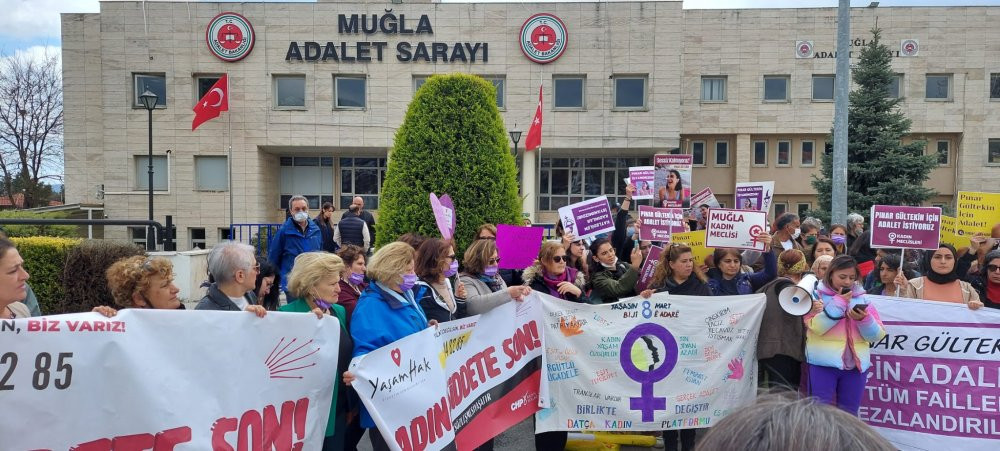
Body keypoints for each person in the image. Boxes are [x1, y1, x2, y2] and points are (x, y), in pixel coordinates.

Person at [344, 242, 432, 451]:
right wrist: (358, 370)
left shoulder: (406, 295)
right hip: (390, 408)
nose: (414, 273)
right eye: (409, 269)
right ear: (393, 270)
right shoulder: (371, 307)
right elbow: (365, 351)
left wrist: (426, 327)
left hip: (413, 397)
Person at [280, 252, 354, 451]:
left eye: (339, 282)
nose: (339, 289)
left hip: (337, 409)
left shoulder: (338, 311)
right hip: (302, 416)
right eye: (332, 284)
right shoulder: (287, 316)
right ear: (312, 286)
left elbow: (345, 355)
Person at [639, 243, 708, 451]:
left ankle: (688, 447)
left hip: (692, 354)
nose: (689, 265)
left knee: (687, 409)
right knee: (669, 407)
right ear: (671, 264)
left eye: (691, 261)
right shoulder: (659, 289)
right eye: (684, 261)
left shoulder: (701, 286)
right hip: (667, 357)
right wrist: (644, 300)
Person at [805, 255, 886, 415]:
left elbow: (877, 335)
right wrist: (839, 303)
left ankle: (845, 441)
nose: (847, 282)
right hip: (823, 365)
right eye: (842, 277)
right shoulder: (815, 296)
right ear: (831, 273)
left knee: (849, 415)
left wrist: (864, 319)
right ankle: (818, 441)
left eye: (852, 277)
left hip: (856, 367)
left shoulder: (863, 299)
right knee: (818, 414)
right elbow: (816, 327)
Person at [697, 393, 896, 451]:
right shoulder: (819, 303)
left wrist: (861, 319)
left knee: (842, 421)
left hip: (853, 364)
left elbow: (875, 332)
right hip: (824, 359)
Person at [1, 239, 115, 319]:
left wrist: (92, 322)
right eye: (13, 271)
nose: (25, 275)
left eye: (22, 266)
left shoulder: (21, 311)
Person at [895, 244, 984, 309]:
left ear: (955, 261)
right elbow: (901, 312)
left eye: (948, 257)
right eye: (937, 257)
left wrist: (977, 308)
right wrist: (902, 292)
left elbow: (979, 320)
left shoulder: (967, 288)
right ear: (929, 260)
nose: (943, 261)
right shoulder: (915, 285)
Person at [459, 238, 531, 316]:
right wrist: (508, 293)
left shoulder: (497, 278)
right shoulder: (465, 279)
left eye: (497, 260)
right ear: (478, 262)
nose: (496, 264)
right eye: (491, 261)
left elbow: (503, 300)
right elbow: (473, 306)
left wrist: (516, 295)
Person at [196, 242, 267, 316]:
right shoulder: (204, 311)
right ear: (240, 275)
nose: (258, 272)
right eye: (256, 268)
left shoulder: (249, 295)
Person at [269, 195, 322, 292]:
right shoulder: (284, 232)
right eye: (297, 209)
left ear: (308, 209)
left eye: (303, 208)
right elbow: (274, 256)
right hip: (292, 282)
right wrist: (272, 278)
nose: (301, 211)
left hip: (312, 281)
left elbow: (320, 254)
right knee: (295, 307)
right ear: (291, 211)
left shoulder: (316, 230)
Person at [414, 238, 467, 322]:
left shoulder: (447, 282)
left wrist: (459, 300)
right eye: (452, 257)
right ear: (437, 260)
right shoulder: (421, 290)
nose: (455, 261)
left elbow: (457, 322)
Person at [706, 232, 776, 296]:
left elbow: (770, 273)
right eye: (727, 261)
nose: (733, 265)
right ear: (718, 264)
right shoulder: (708, 283)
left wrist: (767, 249)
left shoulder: (748, 280)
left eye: (736, 261)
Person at [523, 241, 589, 304]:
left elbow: (590, 309)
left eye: (564, 258)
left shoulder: (574, 278)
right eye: (557, 259)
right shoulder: (535, 282)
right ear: (544, 261)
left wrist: (579, 293)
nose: (562, 261)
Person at [106, 255, 183, 309]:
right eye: (165, 285)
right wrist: (96, 321)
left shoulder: (186, 320)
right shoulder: (123, 329)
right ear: (139, 299)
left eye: (170, 282)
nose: (176, 289)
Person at [589, 238, 642, 304]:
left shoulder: (623, 265)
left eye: (611, 250)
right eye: (604, 253)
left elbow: (642, 277)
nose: (610, 255)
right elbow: (619, 288)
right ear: (596, 258)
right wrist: (635, 266)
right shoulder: (597, 278)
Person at [336, 244, 368, 320]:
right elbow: (360, 312)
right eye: (360, 264)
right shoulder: (340, 290)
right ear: (346, 266)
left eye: (364, 264)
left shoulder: (362, 286)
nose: (364, 269)